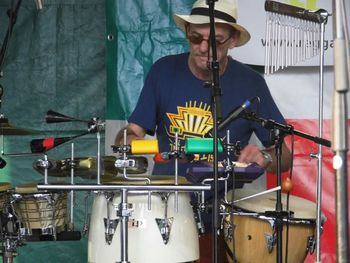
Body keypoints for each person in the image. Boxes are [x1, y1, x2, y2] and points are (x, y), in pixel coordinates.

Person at [115, 0, 292, 262]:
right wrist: (128, 141)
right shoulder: (163, 71)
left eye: (216, 41)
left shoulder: (251, 83)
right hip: (166, 210)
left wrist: (265, 157)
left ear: (233, 41)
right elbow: (132, 131)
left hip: (225, 215)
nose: (203, 48)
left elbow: (285, 156)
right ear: (187, 31)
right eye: (196, 37)